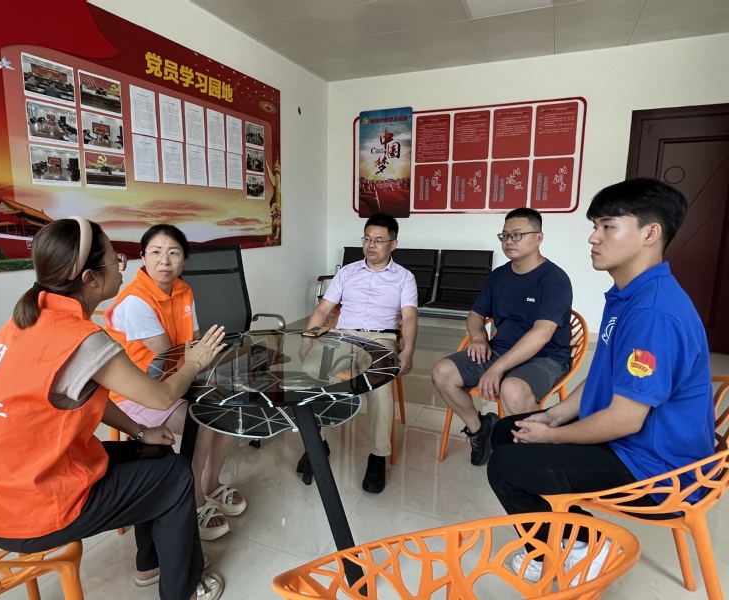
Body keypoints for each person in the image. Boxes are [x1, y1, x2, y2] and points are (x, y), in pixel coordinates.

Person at [0, 217, 226, 600]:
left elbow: (85, 395)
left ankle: (150, 563)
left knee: (154, 453)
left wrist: (141, 432)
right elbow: (163, 397)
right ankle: (183, 589)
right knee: (177, 475)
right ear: (90, 279)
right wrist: (196, 362)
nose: (122, 266)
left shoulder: (29, 319)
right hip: (29, 507)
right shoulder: (82, 339)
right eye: (116, 259)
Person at [487, 178, 715, 582]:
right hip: (637, 445)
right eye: (595, 226)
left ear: (650, 233)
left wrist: (552, 437)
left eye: (608, 226)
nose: (593, 237)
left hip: (659, 472)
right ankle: (571, 538)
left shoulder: (653, 312)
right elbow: (603, 378)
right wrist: (553, 417)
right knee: (508, 431)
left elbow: (625, 419)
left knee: (506, 466)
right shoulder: (628, 295)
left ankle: (584, 547)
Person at [104, 224, 246, 542]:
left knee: (230, 407)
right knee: (207, 418)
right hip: (138, 392)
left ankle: (211, 482)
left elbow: (192, 344)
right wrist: (202, 365)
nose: (164, 261)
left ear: (184, 259)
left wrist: (211, 370)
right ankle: (194, 498)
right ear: (143, 257)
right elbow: (168, 359)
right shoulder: (136, 301)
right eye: (155, 252)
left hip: (178, 380)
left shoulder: (183, 290)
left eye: (173, 253)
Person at [431, 207, 573, 466]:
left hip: (546, 357)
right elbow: (475, 315)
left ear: (539, 238)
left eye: (517, 235)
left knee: (513, 389)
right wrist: (478, 338)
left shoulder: (555, 280)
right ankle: (480, 429)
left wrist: (496, 369)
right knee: (442, 372)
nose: (509, 241)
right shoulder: (499, 277)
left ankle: (531, 458)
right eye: (505, 235)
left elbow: (541, 334)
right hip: (500, 349)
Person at [299, 213, 418, 493]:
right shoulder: (347, 272)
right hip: (343, 336)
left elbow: (410, 317)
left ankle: (378, 455)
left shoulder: (404, 278)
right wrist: (307, 341)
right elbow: (323, 309)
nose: (371, 245)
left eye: (378, 240)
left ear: (393, 244)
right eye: (367, 238)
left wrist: (409, 350)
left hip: (381, 338)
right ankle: (318, 443)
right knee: (313, 373)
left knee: (380, 386)